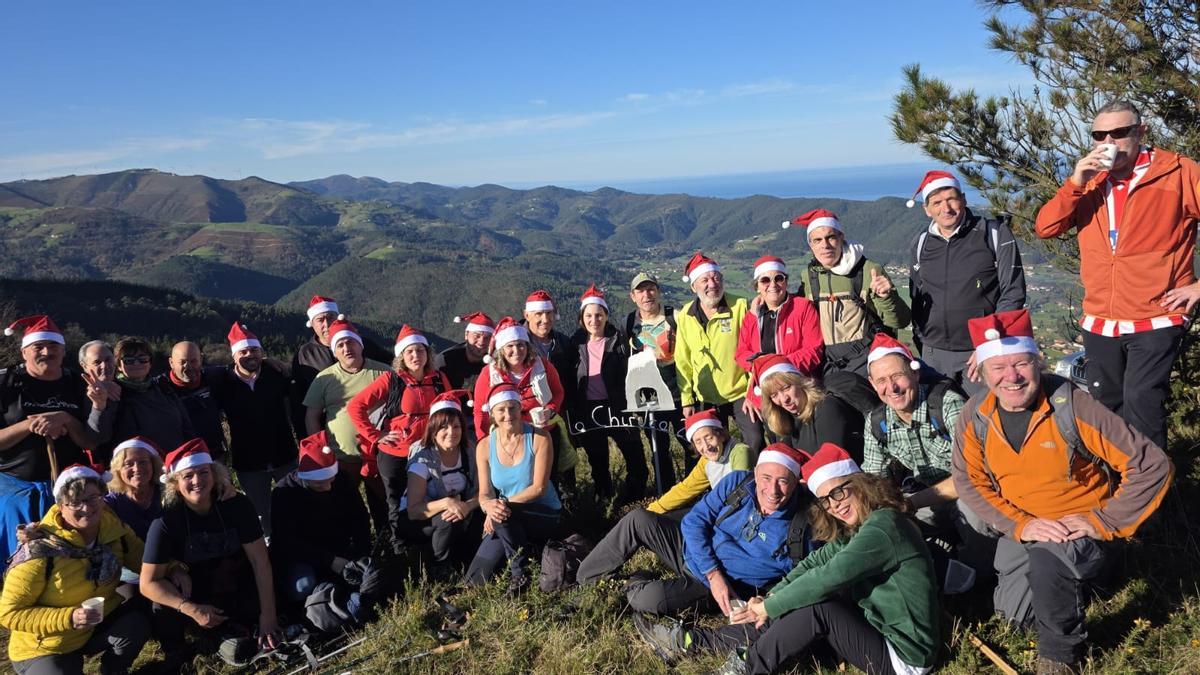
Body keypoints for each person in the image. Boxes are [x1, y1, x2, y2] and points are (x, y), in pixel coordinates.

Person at [952, 309, 1174, 673]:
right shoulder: (976, 414)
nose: (1011, 377)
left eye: (1021, 364)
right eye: (998, 368)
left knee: (1049, 563)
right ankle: (1080, 587)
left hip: (1080, 525)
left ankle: (1060, 657)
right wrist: (1021, 526)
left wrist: (1103, 521)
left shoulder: (1072, 405)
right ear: (983, 373)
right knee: (1016, 620)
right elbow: (969, 482)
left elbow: (1151, 464)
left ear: (1037, 361)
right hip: (1026, 524)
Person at [637, 443, 940, 675]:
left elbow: (828, 577)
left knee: (817, 608)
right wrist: (771, 600)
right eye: (825, 501)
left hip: (904, 658)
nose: (834, 507)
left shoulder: (884, 528)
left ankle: (745, 667)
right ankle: (694, 643)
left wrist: (769, 605)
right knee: (797, 602)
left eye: (839, 493)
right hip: (873, 628)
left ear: (860, 484)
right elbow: (815, 563)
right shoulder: (860, 527)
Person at [1034, 99, 1200, 452]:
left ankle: (1152, 498)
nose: (1109, 142)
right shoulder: (1090, 181)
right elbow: (1046, 227)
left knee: (1142, 403)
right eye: (1099, 135)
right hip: (1100, 320)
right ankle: (1117, 491)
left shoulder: (1179, 172)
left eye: (1120, 132)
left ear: (1141, 132)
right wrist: (1076, 181)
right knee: (1107, 409)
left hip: (1157, 314)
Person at [579, 444, 811, 616]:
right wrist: (713, 572)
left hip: (719, 586)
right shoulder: (739, 482)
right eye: (766, 478)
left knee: (650, 599)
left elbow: (803, 576)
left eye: (783, 481)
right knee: (638, 519)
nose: (772, 490)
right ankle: (585, 578)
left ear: (796, 482)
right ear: (756, 474)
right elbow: (693, 521)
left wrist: (761, 602)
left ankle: (636, 582)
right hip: (696, 555)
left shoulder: (803, 523)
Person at [139, 439, 281, 667]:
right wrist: (191, 608)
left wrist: (269, 616)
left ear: (214, 474)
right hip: (198, 599)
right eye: (188, 476)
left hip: (241, 590)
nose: (197, 481)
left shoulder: (238, 505)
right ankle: (179, 654)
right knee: (161, 604)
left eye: (203, 472)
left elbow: (260, 561)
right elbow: (148, 583)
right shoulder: (165, 521)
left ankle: (247, 629)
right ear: (175, 482)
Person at [0, 465, 150, 675]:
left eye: (92, 498)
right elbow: (9, 613)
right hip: (48, 645)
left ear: (102, 497)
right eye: (75, 502)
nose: (86, 508)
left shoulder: (113, 529)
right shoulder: (40, 550)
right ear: (61, 506)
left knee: (137, 623)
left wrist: (175, 568)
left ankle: (113, 670)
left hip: (94, 624)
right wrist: (69, 617)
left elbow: (145, 561)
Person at [905, 170, 1026, 397]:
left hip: (980, 351)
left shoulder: (994, 233)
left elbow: (1013, 292)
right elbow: (917, 295)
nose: (946, 208)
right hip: (933, 355)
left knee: (985, 418)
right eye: (937, 202)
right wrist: (922, 342)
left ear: (963, 199)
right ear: (926, 209)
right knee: (940, 421)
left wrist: (986, 343)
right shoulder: (920, 243)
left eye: (951, 199)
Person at [1, 316, 113, 561]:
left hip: (68, 484)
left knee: (66, 558)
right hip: (14, 485)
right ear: (23, 352)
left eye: (53, 347)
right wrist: (31, 425)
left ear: (63, 352)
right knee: (21, 556)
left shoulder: (77, 383)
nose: (46, 352)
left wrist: (67, 419)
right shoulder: (5, 383)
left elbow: (90, 441)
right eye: (38, 347)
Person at [346, 325, 450, 553]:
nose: (415, 356)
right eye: (409, 351)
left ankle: (426, 540)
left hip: (428, 451)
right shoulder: (391, 380)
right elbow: (356, 406)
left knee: (427, 496)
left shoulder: (439, 379)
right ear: (401, 356)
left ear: (428, 354)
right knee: (394, 501)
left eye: (420, 350)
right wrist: (376, 436)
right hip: (396, 452)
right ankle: (398, 545)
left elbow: (451, 410)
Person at [786, 209, 910, 376]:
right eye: (818, 240)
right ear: (811, 245)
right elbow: (798, 313)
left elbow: (900, 321)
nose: (825, 245)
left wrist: (886, 297)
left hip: (866, 361)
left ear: (841, 238)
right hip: (825, 365)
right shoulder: (809, 277)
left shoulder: (868, 270)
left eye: (831, 237)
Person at [466, 383, 561, 591]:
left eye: (512, 408)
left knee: (504, 513)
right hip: (505, 516)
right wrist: (488, 507)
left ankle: (520, 575)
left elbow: (539, 488)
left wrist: (498, 507)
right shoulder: (484, 446)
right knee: (475, 579)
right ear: (492, 414)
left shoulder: (540, 438)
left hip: (544, 512)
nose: (508, 415)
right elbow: (485, 493)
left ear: (521, 409)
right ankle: (522, 551)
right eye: (501, 410)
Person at [270, 430, 372, 622]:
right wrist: (330, 560)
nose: (327, 488)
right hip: (302, 556)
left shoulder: (342, 479)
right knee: (302, 587)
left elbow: (359, 518)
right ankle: (309, 610)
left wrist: (361, 552)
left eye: (330, 481)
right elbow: (286, 542)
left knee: (364, 573)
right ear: (304, 477)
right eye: (319, 485)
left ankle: (335, 597)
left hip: (338, 547)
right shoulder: (285, 493)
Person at [302, 319, 390, 530]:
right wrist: (320, 450)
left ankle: (389, 547)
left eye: (350, 343)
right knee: (344, 506)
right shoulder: (324, 378)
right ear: (334, 351)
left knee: (384, 505)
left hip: (378, 455)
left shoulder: (385, 373)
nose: (346, 348)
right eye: (340, 345)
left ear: (360, 345)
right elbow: (311, 416)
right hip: (341, 457)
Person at [212, 322, 297, 540]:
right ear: (233, 356)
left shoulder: (276, 375)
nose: (250, 354)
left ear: (262, 352)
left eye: (254, 350)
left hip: (284, 455)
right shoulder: (223, 383)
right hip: (249, 462)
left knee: (294, 506)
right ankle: (269, 550)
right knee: (260, 514)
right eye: (243, 351)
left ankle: (297, 544)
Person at [862, 333, 963, 515]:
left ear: (915, 373)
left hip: (967, 494)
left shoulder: (947, 405)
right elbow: (875, 481)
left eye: (897, 376)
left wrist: (911, 503)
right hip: (925, 498)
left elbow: (973, 477)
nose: (892, 388)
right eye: (881, 381)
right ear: (872, 384)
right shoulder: (877, 423)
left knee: (969, 512)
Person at [674, 252, 762, 453]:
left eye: (716, 278)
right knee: (715, 449)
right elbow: (683, 360)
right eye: (704, 279)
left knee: (755, 441)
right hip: (707, 396)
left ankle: (755, 481)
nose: (712, 284)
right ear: (693, 286)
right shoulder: (687, 315)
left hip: (741, 392)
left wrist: (752, 392)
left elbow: (753, 351)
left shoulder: (740, 306)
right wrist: (687, 399)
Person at [567, 284, 647, 501]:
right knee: (598, 463)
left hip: (619, 407)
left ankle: (636, 500)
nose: (594, 320)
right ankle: (605, 502)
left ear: (607, 316)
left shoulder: (620, 340)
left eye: (599, 315)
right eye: (589, 316)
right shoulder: (574, 345)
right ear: (582, 318)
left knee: (635, 458)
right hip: (590, 411)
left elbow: (637, 369)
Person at [471, 317, 574, 484]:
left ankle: (554, 508)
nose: (516, 350)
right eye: (510, 346)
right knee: (518, 481)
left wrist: (551, 409)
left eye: (521, 344)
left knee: (548, 480)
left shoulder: (544, 366)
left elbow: (558, 392)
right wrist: (483, 440)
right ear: (501, 349)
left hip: (544, 433)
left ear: (527, 346)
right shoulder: (489, 373)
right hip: (507, 439)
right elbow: (479, 410)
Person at [289, 296, 390, 439]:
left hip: (374, 429)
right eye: (320, 320)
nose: (327, 324)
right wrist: (308, 440)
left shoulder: (361, 344)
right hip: (330, 435)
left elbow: (394, 365)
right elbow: (298, 399)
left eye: (330, 317)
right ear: (311, 324)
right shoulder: (305, 355)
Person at [734, 255, 824, 417]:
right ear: (757, 287)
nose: (773, 285)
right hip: (767, 393)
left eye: (778, 278)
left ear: (786, 282)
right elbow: (741, 354)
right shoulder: (752, 317)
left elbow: (814, 350)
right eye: (765, 280)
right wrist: (760, 369)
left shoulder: (802, 307)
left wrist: (778, 366)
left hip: (800, 389)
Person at [403, 391, 480, 570]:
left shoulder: (470, 451)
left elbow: (482, 492)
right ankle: (439, 566)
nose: (451, 432)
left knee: (481, 513)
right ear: (433, 430)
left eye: (456, 426)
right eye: (443, 427)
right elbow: (413, 510)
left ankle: (468, 560)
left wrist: (467, 505)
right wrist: (447, 503)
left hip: (461, 507)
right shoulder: (422, 458)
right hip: (419, 517)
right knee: (447, 518)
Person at [625, 271, 686, 482]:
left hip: (679, 393)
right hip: (650, 398)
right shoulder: (629, 322)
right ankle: (667, 492)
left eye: (650, 289)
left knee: (690, 443)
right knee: (658, 451)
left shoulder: (674, 316)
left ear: (658, 291)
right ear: (633, 296)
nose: (646, 295)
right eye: (640, 291)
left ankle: (694, 490)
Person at [643, 410, 754, 517]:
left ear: (721, 435)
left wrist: (704, 509)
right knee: (641, 520)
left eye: (709, 437)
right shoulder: (706, 461)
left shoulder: (740, 452)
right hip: (721, 511)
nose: (706, 447)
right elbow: (686, 489)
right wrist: (652, 509)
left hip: (742, 515)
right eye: (698, 441)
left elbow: (737, 492)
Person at [754, 354, 864, 459]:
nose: (784, 399)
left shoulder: (827, 407)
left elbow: (831, 459)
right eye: (774, 395)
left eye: (786, 388)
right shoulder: (784, 420)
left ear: (800, 382)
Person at [106, 337, 196, 458]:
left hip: (174, 463)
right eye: (129, 360)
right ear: (118, 365)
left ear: (150, 363)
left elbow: (186, 428)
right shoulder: (113, 393)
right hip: (138, 468)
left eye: (143, 359)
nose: (137, 364)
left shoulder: (164, 389)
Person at [153, 341, 228, 462]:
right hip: (179, 461)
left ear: (201, 359)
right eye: (182, 362)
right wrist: (111, 385)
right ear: (171, 363)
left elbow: (241, 369)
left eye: (193, 361)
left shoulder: (213, 378)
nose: (188, 367)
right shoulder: (158, 387)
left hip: (214, 457)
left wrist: (266, 362)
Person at [102, 437, 165, 541]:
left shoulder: (169, 495)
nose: (137, 469)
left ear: (153, 465)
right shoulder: (111, 505)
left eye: (143, 462)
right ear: (118, 470)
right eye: (128, 464)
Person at [521, 289, 575, 385]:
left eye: (549, 313)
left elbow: (571, 379)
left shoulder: (564, 343)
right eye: (539, 314)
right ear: (527, 315)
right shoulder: (516, 342)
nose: (545, 320)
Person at [435, 311, 494, 392]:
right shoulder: (446, 360)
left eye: (487, 338)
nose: (481, 342)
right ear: (466, 335)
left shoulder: (495, 363)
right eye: (477, 336)